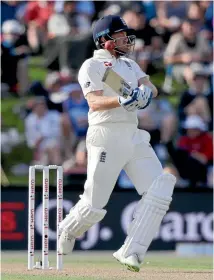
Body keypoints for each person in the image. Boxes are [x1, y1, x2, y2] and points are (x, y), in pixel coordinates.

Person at [58, 15, 176, 272]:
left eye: (126, 34)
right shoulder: (92, 66)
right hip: (105, 135)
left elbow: (150, 88)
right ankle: (67, 229)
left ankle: (131, 251)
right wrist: (122, 100)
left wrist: (145, 93)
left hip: (132, 135)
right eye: (120, 34)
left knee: (161, 186)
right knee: (94, 205)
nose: (126, 39)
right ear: (104, 40)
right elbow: (94, 102)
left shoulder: (130, 65)